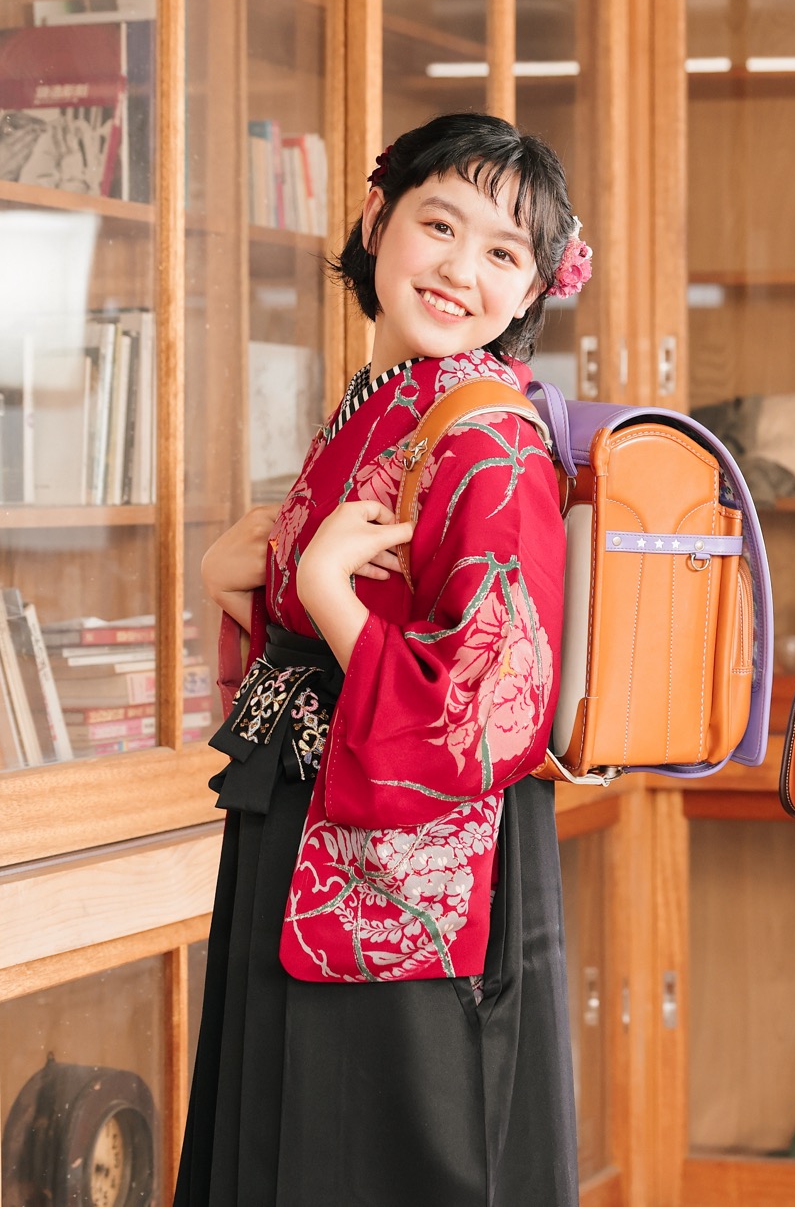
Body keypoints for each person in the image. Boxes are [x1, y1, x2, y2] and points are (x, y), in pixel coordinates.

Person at [177, 113, 591, 1207]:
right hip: (318, 821)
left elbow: (491, 705)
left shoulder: (491, 439)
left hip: (421, 854)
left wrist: (317, 590)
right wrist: (249, 582)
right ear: (376, 219)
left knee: (391, 1162)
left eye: (502, 252)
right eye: (438, 225)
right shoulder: (390, 397)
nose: (460, 271)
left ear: (532, 285)